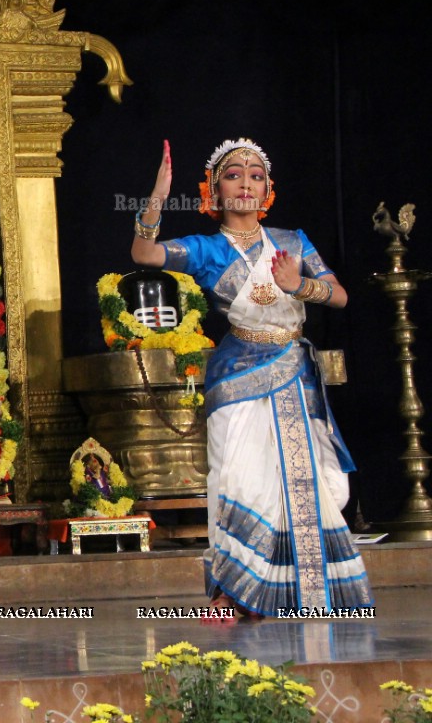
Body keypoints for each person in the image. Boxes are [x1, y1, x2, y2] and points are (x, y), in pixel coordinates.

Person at [131, 137, 372, 618]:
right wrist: (157, 196)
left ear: (267, 190)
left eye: (256, 175)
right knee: (239, 481)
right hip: (237, 375)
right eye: (234, 175)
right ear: (214, 191)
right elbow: (144, 254)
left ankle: (308, 590)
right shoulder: (204, 249)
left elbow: (340, 296)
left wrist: (299, 285)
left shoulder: (292, 241)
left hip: (293, 373)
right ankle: (235, 594)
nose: (245, 183)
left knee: (308, 484)